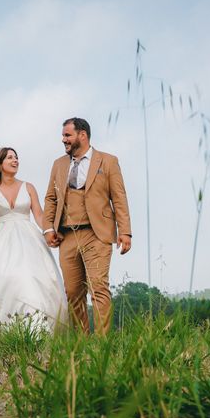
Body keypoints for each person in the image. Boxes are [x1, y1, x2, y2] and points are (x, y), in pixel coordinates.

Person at [43, 117, 131, 335]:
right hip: (67, 235)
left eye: (67, 135)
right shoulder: (58, 164)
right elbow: (51, 198)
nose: (63, 140)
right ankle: (82, 343)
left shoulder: (108, 161)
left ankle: (101, 345)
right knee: (72, 292)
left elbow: (119, 198)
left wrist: (125, 232)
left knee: (98, 288)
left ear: (82, 135)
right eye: (63, 135)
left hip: (97, 233)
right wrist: (48, 228)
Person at [0, 147, 69, 332]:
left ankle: (37, 330)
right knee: (0, 281)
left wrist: (49, 230)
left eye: (16, 157)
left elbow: (39, 215)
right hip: (1, 242)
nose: (15, 161)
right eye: (10, 158)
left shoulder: (28, 187)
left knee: (30, 279)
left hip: (28, 240)